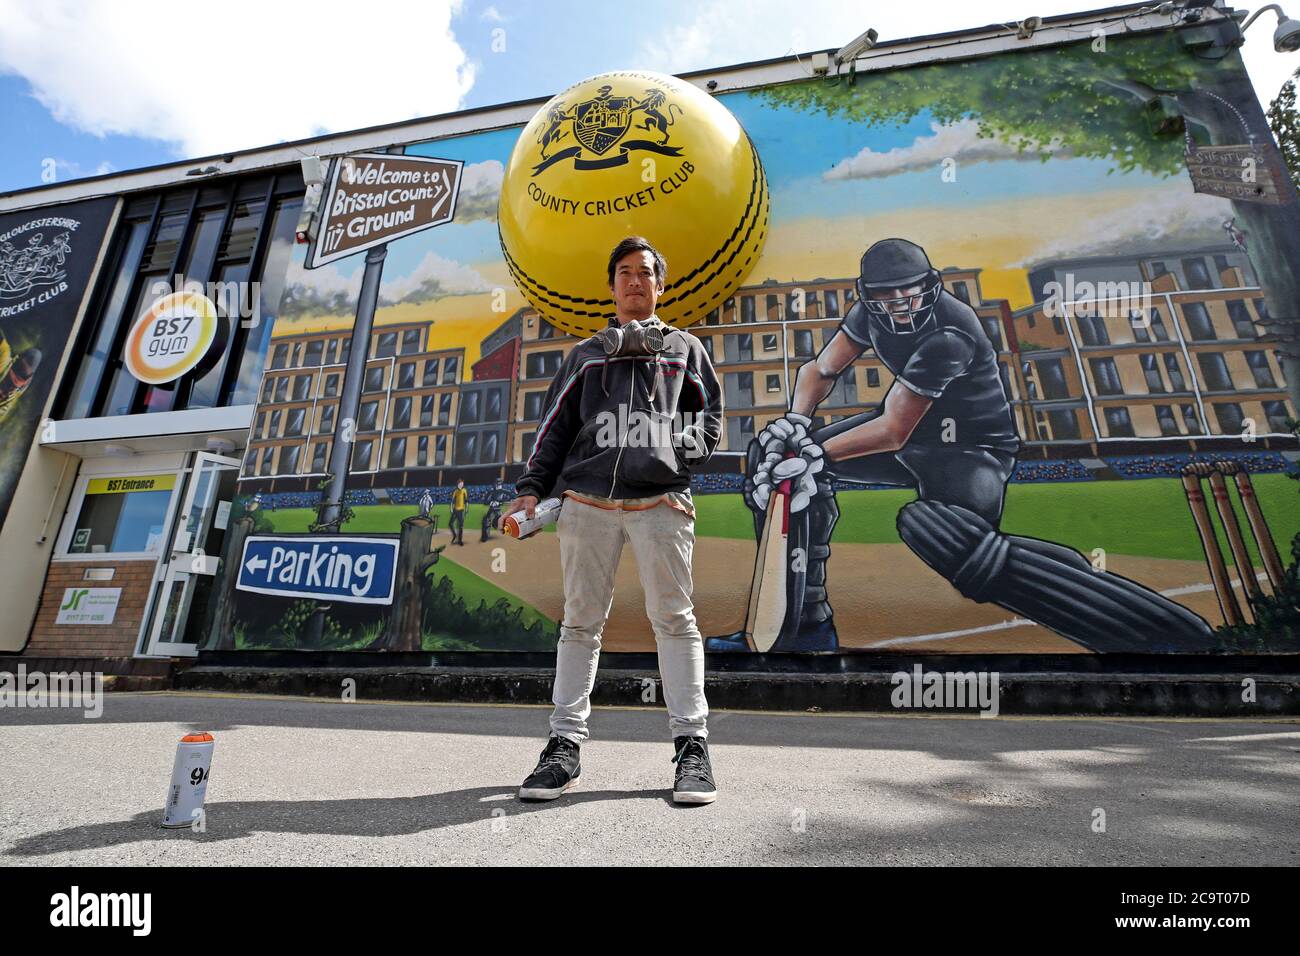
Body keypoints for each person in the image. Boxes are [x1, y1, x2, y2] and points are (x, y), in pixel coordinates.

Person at [708, 237, 1214, 654]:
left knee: (944, 535)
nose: (898, 305)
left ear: (928, 287)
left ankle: (1126, 617)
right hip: (913, 438)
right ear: (869, 295)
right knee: (774, 459)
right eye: (886, 297)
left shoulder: (950, 331)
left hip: (970, 451)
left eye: (908, 293)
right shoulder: (869, 313)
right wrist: (795, 423)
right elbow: (821, 369)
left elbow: (893, 428)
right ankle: (805, 630)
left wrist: (812, 454)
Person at [502, 236, 723, 804]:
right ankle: (563, 749)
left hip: (660, 503)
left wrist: (672, 458)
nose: (634, 281)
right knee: (580, 625)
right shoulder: (586, 354)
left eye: (645, 272)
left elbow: (711, 424)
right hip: (589, 504)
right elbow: (552, 429)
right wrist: (531, 491)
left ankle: (691, 750)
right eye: (624, 272)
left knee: (675, 621)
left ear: (660, 285)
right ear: (611, 286)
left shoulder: (686, 349)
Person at [449, 479, 467, 546]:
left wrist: (466, 509)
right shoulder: (456, 491)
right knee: (450, 524)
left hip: (461, 510)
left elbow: (466, 500)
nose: (461, 485)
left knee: (461, 526)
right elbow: (452, 500)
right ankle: (454, 535)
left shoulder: (464, 490)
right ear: (458, 484)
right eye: (460, 484)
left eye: (462, 484)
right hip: (455, 510)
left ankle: (460, 540)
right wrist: (451, 508)